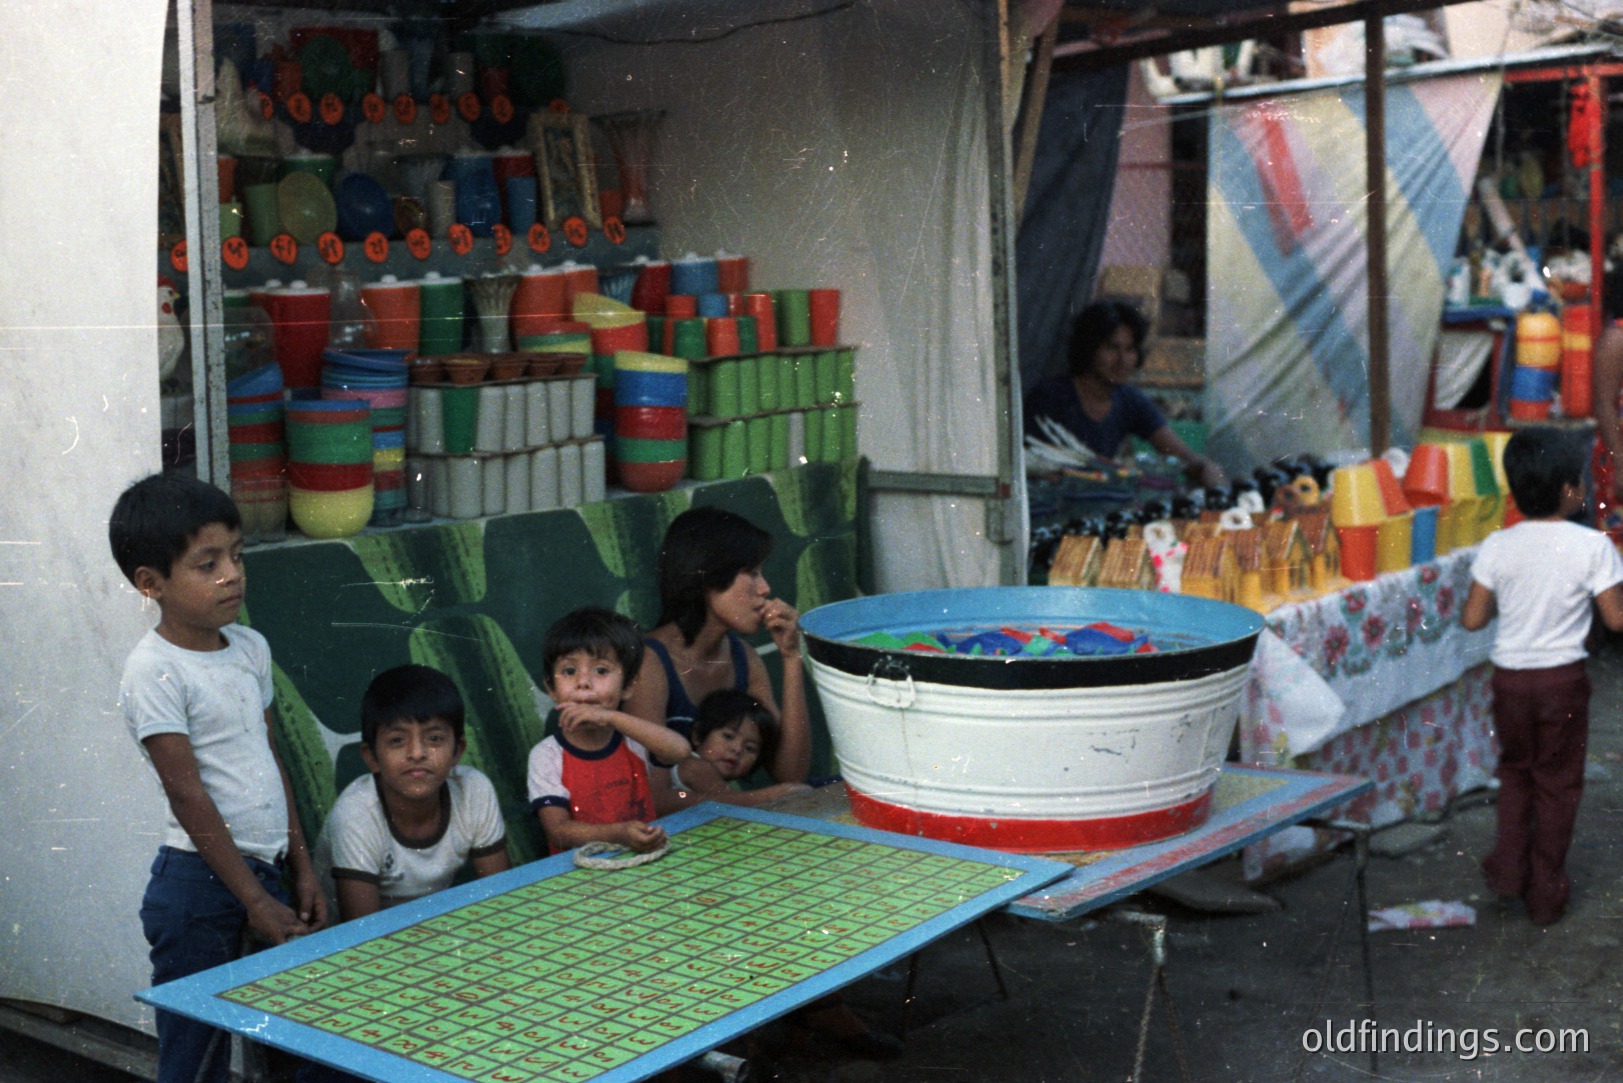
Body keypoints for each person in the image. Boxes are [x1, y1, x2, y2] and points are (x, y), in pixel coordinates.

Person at [109, 472, 326, 1083]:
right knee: (196, 1053)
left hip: (270, 871)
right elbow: (187, 792)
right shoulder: (153, 670)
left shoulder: (250, 648)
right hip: (197, 888)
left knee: (293, 1036)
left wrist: (302, 867)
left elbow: (269, 758)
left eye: (236, 555)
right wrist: (253, 899)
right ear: (151, 584)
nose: (232, 573)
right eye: (207, 564)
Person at [1461, 427, 1623, 925]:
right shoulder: (1593, 547)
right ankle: (1546, 893)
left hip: (1509, 680)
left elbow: (1472, 618)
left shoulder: (1497, 544)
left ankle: (1509, 872)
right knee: (1557, 783)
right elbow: (1616, 620)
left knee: (1516, 773)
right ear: (1572, 490)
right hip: (1562, 682)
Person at [624, 506, 812, 800]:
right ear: (709, 576)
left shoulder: (745, 660)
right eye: (751, 573)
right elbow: (653, 797)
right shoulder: (650, 661)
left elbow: (790, 773)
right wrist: (750, 802)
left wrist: (791, 658)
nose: (765, 588)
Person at [313, 664, 510, 921]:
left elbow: (502, 898)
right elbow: (362, 934)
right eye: (397, 740)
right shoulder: (356, 814)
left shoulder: (474, 790)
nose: (417, 753)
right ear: (371, 757)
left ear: (457, 750)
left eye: (435, 739)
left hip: (433, 929)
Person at [527, 607, 692, 855]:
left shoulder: (634, 740)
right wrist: (618, 834)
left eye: (601, 670)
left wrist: (612, 717)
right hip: (579, 873)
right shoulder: (547, 755)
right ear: (551, 688)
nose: (583, 682)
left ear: (627, 686)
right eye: (569, 671)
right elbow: (558, 831)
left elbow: (680, 751)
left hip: (642, 859)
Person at [1024, 299, 1225, 487]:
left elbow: (1182, 456)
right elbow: (1027, 467)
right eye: (1112, 348)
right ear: (1088, 348)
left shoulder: (1129, 400)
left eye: (1130, 349)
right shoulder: (1050, 398)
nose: (1123, 360)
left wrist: (1205, 469)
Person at [657, 688, 813, 813]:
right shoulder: (694, 766)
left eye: (750, 748)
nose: (737, 749)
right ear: (698, 735)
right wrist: (775, 794)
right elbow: (733, 802)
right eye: (728, 736)